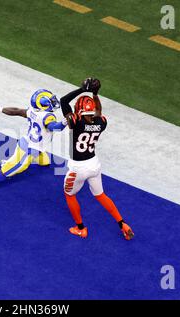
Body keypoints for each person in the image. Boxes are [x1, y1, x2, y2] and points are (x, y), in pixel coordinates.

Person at [0, 89, 67, 206]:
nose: (54, 102)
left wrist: (1, 109)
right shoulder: (48, 116)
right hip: (29, 151)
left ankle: (10, 161)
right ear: (43, 104)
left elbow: (17, 111)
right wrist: (64, 123)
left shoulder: (33, 111)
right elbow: (55, 127)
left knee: (46, 163)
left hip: (28, 143)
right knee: (3, 174)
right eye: (50, 101)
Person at [60, 78, 134, 240]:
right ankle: (122, 223)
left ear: (78, 109)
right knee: (100, 195)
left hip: (78, 167)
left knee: (69, 195)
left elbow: (63, 101)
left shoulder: (76, 121)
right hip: (94, 164)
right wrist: (94, 93)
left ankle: (81, 228)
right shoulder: (101, 122)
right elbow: (98, 112)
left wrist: (82, 90)